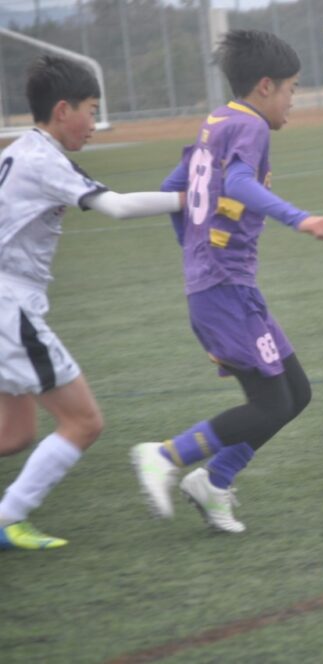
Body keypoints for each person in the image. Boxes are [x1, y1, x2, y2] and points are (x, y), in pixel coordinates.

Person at [130, 30, 323, 534]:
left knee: (296, 393)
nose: (293, 100)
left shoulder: (217, 122)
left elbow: (173, 189)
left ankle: (214, 481)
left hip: (227, 287)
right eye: (291, 89)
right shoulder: (251, 126)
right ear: (265, 86)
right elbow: (240, 183)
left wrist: (192, 250)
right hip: (223, 289)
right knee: (271, 403)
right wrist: (300, 219)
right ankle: (165, 455)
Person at [0, 56, 185, 550]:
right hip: (8, 306)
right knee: (84, 421)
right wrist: (191, 200)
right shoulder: (43, 161)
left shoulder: (21, 151)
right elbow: (118, 207)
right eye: (92, 111)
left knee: (14, 434)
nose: (95, 124)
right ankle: (7, 519)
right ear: (63, 110)